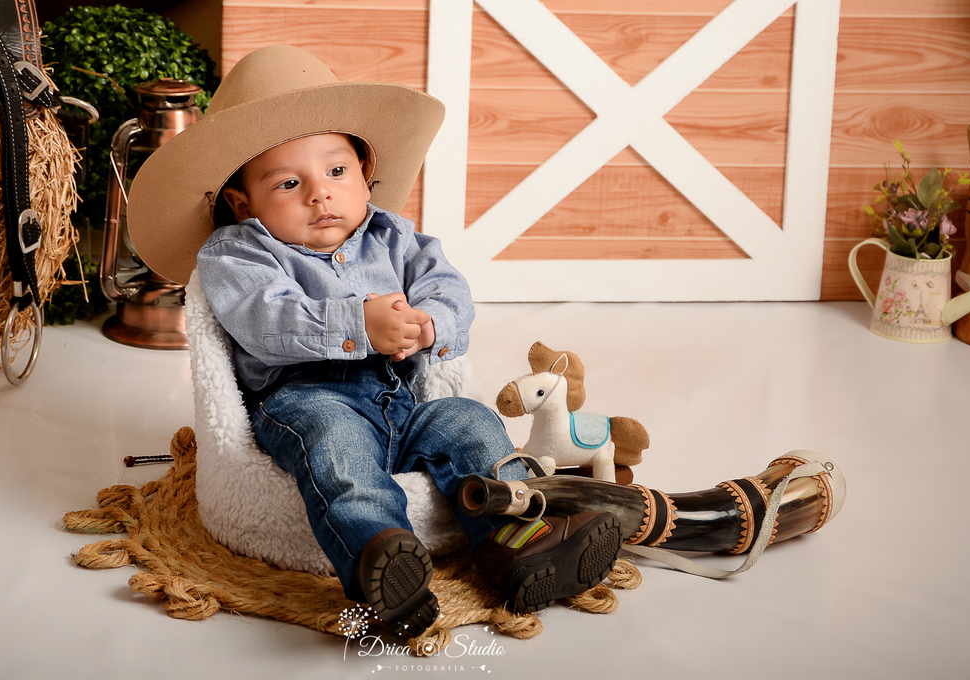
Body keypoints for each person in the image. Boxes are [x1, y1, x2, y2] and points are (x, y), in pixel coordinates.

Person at [126, 44, 622, 638]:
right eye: (288, 182)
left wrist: (432, 321)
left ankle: (518, 540)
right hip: (305, 401)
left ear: (365, 171)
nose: (320, 194)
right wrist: (357, 323)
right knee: (339, 454)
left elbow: (447, 286)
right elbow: (265, 320)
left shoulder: (394, 236)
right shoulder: (237, 253)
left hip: (400, 402)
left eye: (337, 171)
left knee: (467, 422)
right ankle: (381, 562)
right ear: (242, 202)